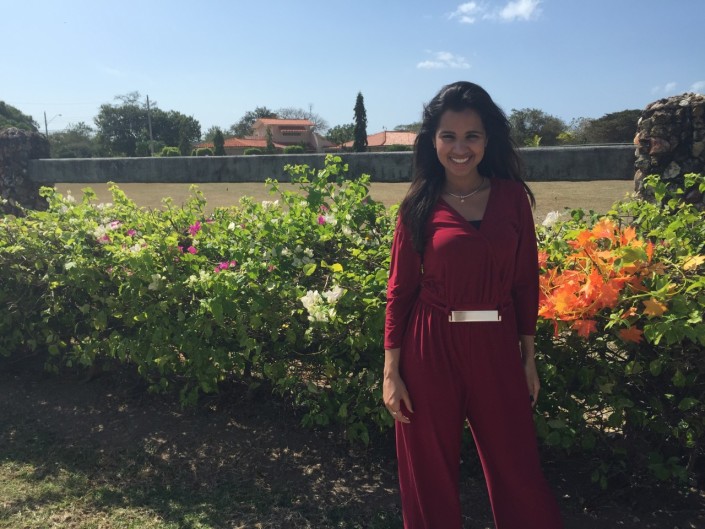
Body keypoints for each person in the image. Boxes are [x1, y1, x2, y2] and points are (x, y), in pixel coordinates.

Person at [383, 81, 564, 529]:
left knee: (517, 468)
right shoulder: (418, 205)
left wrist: (528, 359)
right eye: (449, 136)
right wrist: (391, 372)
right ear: (432, 141)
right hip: (430, 345)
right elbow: (400, 290)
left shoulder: (512, 199)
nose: (460, 148)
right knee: (427, 472)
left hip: (496, 343)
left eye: (472, 136)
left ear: (487, 140)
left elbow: (525, 282)